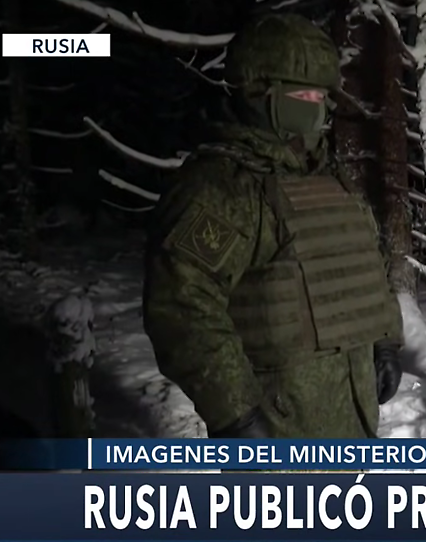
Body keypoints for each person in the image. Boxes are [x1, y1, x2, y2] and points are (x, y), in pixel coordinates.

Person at [142, 14, 404, 439]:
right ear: (258, 94)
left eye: (323, 95)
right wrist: (236, 414)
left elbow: (367, 266)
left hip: (352, 416)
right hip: (277, 427)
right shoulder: (225, 187)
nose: (318, 106)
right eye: (304, 94)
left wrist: (386, 339)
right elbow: (182, 307)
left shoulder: (329, 176)